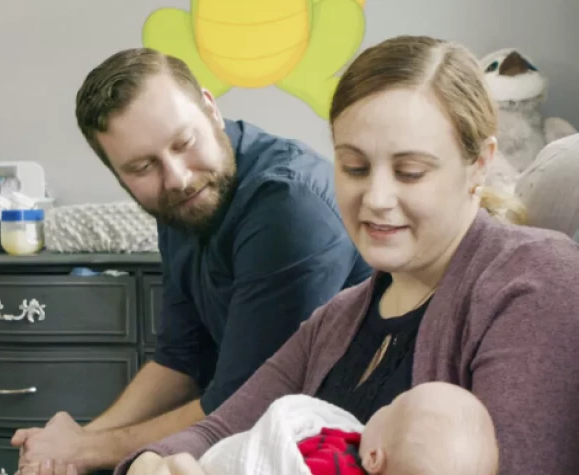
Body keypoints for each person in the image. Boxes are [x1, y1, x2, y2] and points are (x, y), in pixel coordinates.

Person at [117, 35, 579, 475]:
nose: (375, 198)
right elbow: (216, 430)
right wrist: (150, 462)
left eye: (410, 172)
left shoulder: (535, 281)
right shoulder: (336, 321)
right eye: (355, 167)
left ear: (479, 164)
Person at [11, 48, 372, 474]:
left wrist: (85, 450)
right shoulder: (182, 202)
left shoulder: (288, 207)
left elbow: (241, 405)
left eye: (184, 143)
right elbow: (180, 358)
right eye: (142, 166)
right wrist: (73, 443)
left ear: (210, 109)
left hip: (334, 442)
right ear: (118, 174)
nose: (177, 177)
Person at [195, 381, 498, 475]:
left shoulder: (333, 464)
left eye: (392, 407)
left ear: (374, 458)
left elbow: (277, 457)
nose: (383, 407)